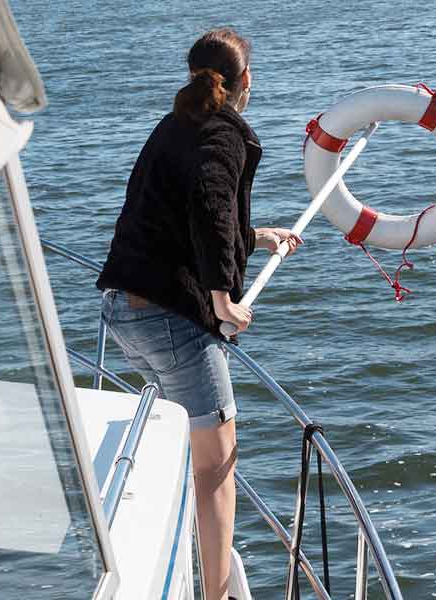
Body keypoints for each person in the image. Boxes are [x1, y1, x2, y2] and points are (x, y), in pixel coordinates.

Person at [96, 28, 302, 600]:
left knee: (196, 447)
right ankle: (214, 594)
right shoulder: (222, 134)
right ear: (246, 83)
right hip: (169, 319)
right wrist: (223, 302)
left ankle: (196, 561)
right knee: (218, 465)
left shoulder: (175, 125)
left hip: (124, 309)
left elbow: (187, 214)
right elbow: (211, 206)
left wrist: (258, 238)